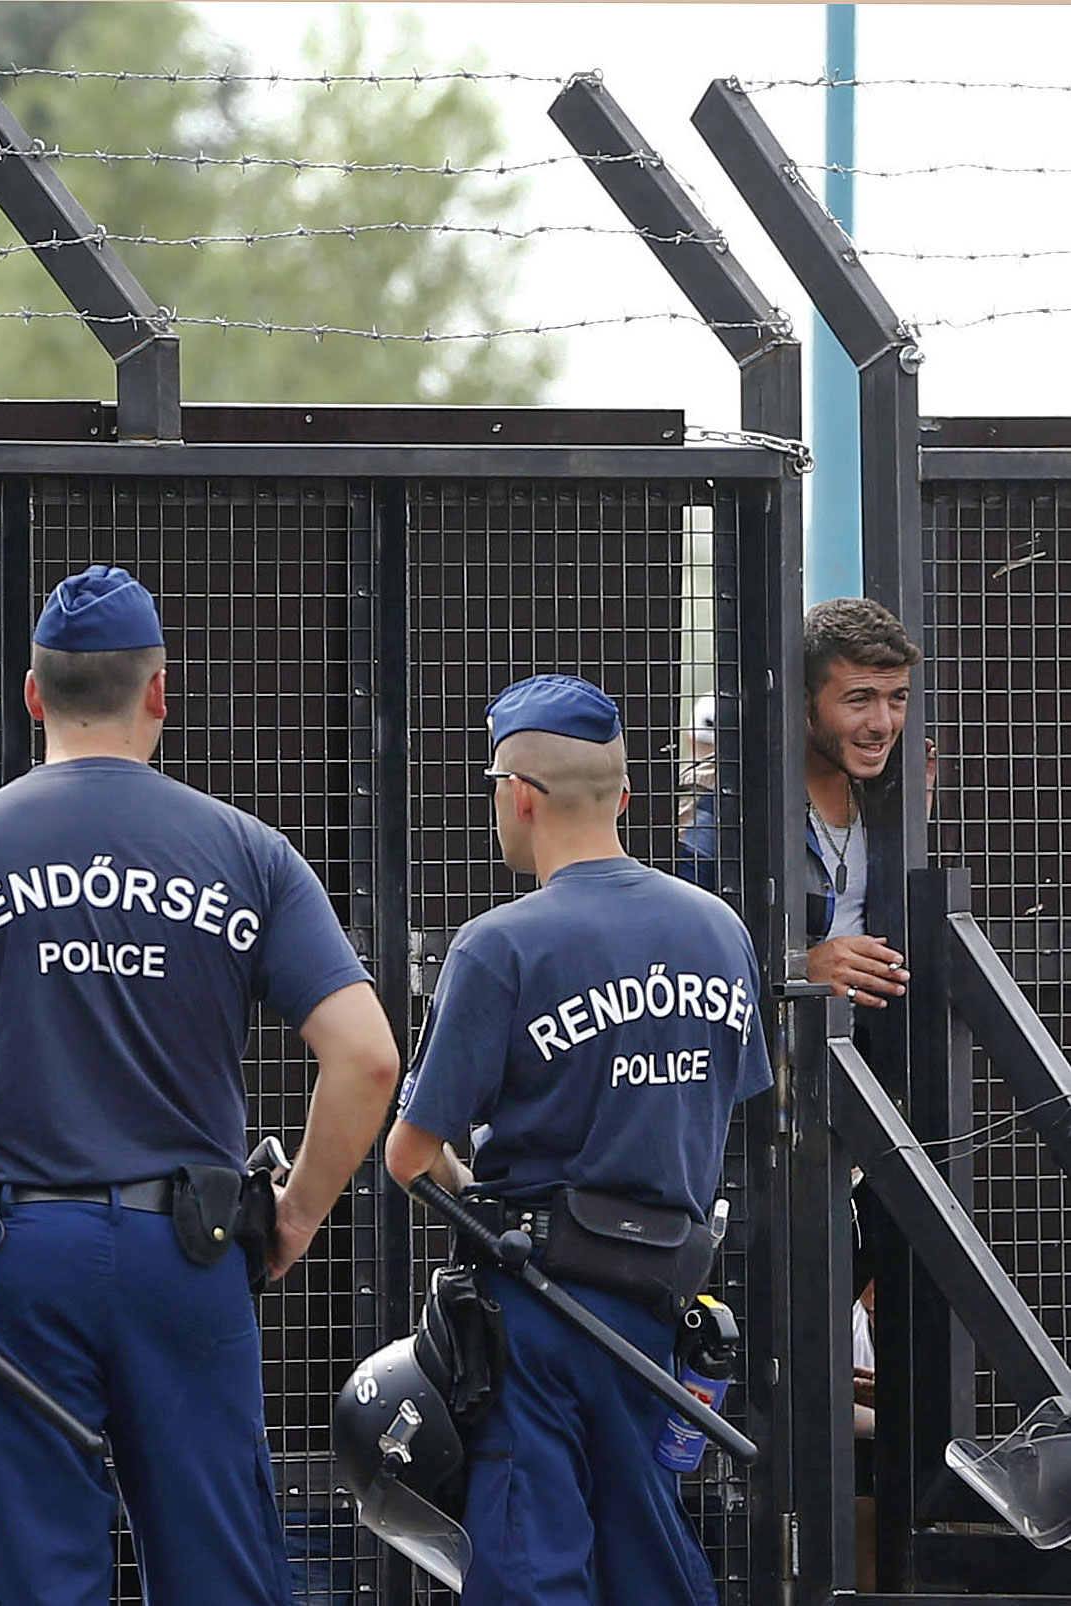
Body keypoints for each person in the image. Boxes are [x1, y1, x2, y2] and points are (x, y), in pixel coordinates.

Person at [0, 565, 402, 1606]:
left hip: (13, 1258)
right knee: (216, 1557)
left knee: (33, 1564)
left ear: (31, 695)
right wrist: (296, 1212)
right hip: (191, 1249)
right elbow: (366, 1056)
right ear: (158, 691)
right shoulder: (246, 854)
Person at [386, 673, 771, 1606]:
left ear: (518, 794)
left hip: (538, 1305)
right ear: (627, 798)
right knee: (650, 1555)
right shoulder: (717, 929)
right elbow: (741, 1094)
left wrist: (473, 1182)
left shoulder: (501, 947)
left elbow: (407, 1155)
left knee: (532, 1562)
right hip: (661, 1305)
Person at [679, 596, 921, 1009]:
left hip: (879, 1055)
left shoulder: (898, 793)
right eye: (859, 699)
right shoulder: (729, 807)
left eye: (897, 698)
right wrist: (795, 969)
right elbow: (675, 958)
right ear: (804, 702)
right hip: (772, 1059)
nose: (882, 723)